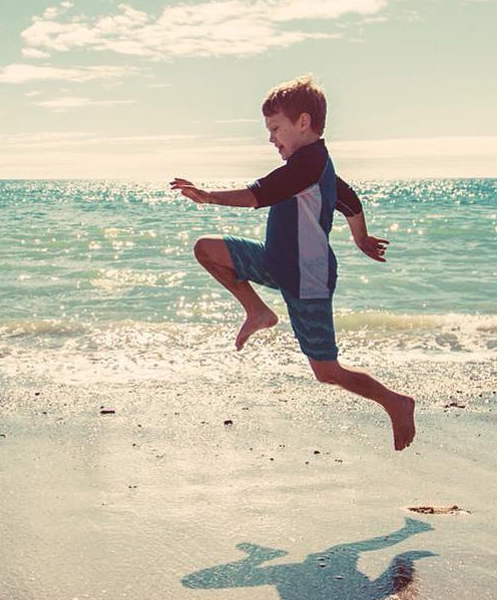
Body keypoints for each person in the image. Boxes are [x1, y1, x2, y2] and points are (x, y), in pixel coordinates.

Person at [171, 76, 417, 450]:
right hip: (277, 261)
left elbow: (260, 194)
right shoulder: (315, 164)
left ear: (303, 122)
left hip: (308, 277)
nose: (271, 139)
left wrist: (207, 197)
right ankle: (257, 312)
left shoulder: (309, 164)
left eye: (275, 128)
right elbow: (348, 199)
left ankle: (395, 402)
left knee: (326, 371)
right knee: (206, 249)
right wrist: (360, 237)